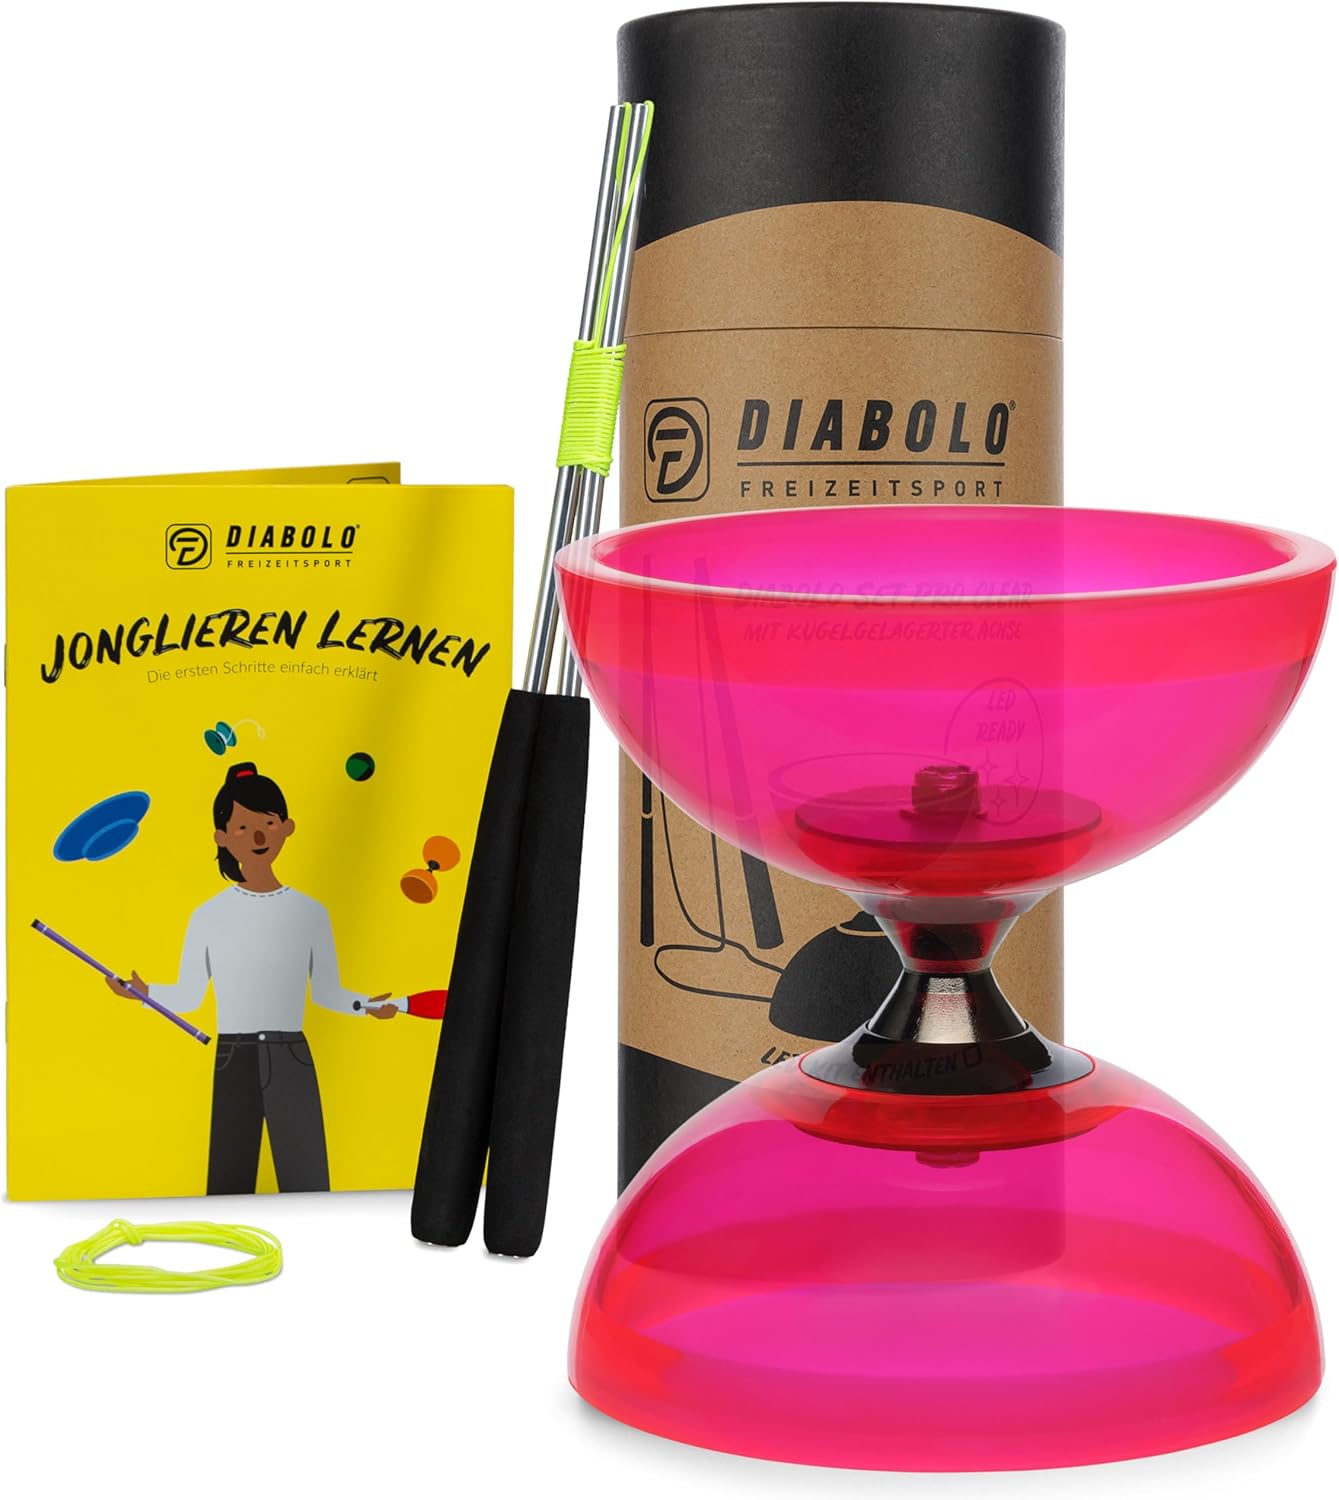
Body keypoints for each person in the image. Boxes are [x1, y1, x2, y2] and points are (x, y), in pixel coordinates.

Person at [107, 761, 400, 1193]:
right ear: (222, 837)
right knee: (229, 1183)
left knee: (308, 1184)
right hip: (234, 1057)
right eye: (243, 827)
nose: (259, 837)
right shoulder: (208, 915)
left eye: (268, 823)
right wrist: (145, 993)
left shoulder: (310, 913)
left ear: (287, 828)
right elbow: (189, 995)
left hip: (291, 1056)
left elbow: (326, 992)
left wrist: (366, 1006)